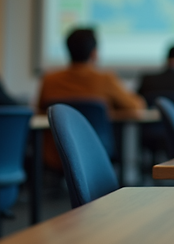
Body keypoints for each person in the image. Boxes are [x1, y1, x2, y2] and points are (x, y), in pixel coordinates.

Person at [37, 28, 145, 168]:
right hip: (97, 151)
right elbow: (135, 106)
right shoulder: (104, 79)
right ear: (94, 53)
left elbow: (40, 110)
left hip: (57, 153)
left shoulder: (49, 80)